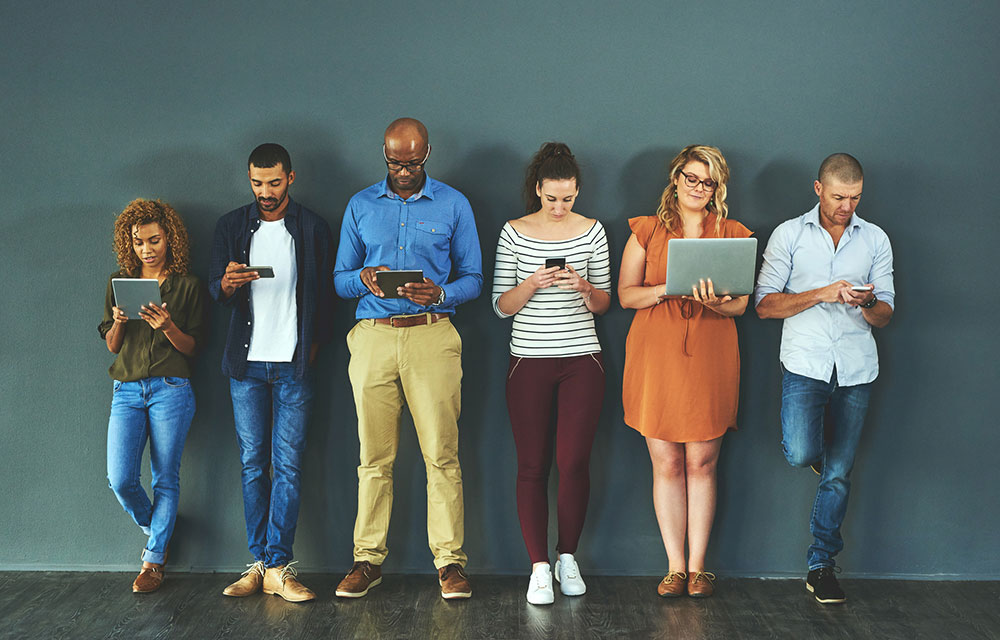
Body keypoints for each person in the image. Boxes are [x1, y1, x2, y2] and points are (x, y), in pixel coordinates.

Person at [333, 118, 482, 600]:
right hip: (373, 336)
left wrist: (439, 292)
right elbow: (339, 279)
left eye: (413, 163)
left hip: (431, 335)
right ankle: (366, 560)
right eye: (395, 162)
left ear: (428, 154)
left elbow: (475, 278)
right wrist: (364, 278)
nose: (403, 170)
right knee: (373, 457)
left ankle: (450, 563)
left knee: (442, 453)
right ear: (384, 154)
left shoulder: (454, 203)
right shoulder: (360, 205)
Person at [755, 153, 894, 604]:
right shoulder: (789, 235)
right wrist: (822, 293)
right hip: (806, 365)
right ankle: (821, 451)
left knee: (838, 475)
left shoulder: (875, 239)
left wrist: (865, 303)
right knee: (801, 453)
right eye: (838, 197)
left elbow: (887, 314)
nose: (846, 206)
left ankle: (821, 565)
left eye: (854, 198)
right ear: (819, 189)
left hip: (856, 368)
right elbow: (764, 305)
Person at [618, 145, 751, 598]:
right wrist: (665, 289)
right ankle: (674, 567)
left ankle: (698, 569)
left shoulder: (732, 232)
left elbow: (740, 305)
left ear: (718, 188)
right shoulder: (648, 230)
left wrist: (717, 302)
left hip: (712, 353)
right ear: (676, 179)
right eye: (692, 178)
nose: (698, 188)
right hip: (657, 353)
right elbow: (625, 296)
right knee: (667, 462)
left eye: (708, 182)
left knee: (702, 461)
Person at [209, 143, 334, 603]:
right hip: (245, 366)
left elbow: (324, 298)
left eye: (275, 183)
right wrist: (228, 282)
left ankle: (279, 565)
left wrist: (311, 350)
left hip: (294, 364)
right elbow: (214, 291)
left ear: (291, 179)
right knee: (250, 464)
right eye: (258, 183)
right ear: (250, 180)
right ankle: (258, 563)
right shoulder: (231, 226)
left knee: (288, 466)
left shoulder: (312, 227)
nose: (266, 192)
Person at [491, 142, 611, 605]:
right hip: (528, 361)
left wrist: (583, 285)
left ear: (578, 192)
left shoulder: (593, 231)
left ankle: (567, 556)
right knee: (532, 466)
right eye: (551, 198)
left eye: (568, 198)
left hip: (583, 359)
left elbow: (604, 303)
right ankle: (538, 567)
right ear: (537, 190)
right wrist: (532, 283)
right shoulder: (514, 233)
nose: (560, 208)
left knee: (574, 462)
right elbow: (501, 306)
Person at [99, 199, 206, 593]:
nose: (146, 249)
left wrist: (167, 326)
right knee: (120, 478)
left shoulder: (188, 285)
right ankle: (157, 527)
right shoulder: (117, 281)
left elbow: (194, 348)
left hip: (171, 389)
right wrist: (119, 323)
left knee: (166, 477)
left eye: (154, 240)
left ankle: (153, 560)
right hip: (126, 389)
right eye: (139, 241)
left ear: (169, 238)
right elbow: (112, 347)